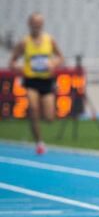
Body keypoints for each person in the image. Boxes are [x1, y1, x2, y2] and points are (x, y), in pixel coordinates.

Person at [8, 13, 64, 154]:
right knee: (33, 109)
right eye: (34, 23)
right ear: (29, 24)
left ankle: (41, 122)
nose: (37, 26)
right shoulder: (23, 43)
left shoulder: (49, 40)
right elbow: (12, 61)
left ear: (42, 24)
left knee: (50, 118)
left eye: (39, 23)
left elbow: (61, 57)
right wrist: (20, 67)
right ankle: (39, 143)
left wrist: (54, 65)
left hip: (46, 81)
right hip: (31, 81)